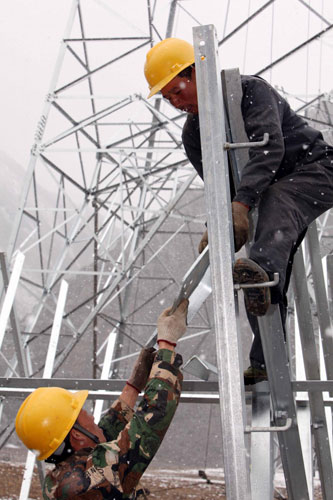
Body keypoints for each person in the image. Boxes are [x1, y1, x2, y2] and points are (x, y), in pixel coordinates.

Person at [144, 38, 333, 384]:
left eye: (177, 90)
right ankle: (266, 361)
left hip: (314, 169)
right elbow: (220, 187)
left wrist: (241, 203)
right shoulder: (194, 134)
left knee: (263, 258)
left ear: (197, 72)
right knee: (258, 266)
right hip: (266, 192)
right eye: (167, 98)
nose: (175, 102)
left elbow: (268, 149)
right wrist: (219, 224)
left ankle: (261, 283)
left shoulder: (249, 92)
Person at [15, 299, 189, 499]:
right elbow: (151, 420)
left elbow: (104, 434)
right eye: (83, 413)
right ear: (76, 435)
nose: (90, 416)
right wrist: (167, 343)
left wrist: (132, 387)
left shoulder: (61, 477)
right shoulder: (90, 480)